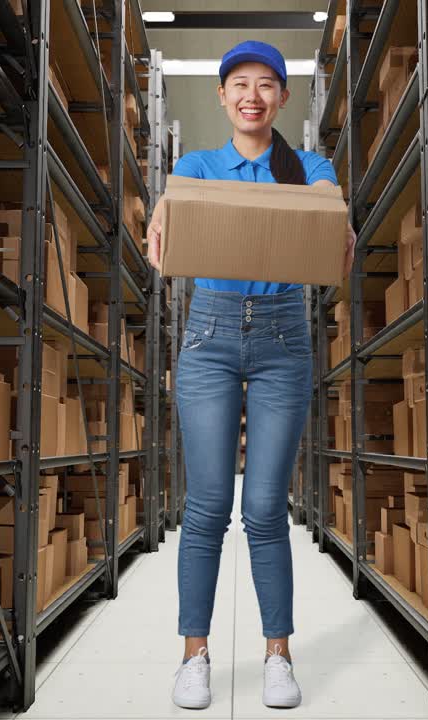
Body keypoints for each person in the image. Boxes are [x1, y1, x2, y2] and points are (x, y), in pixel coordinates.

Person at [145, 40, 355, 710]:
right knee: (206, 506)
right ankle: (195, 655)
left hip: (283, 334)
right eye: (240, 83)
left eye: (267, 84)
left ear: (283, 99)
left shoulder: (308, 165)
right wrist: (161, 219)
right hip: (208, 333)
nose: (253, 95)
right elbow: (170, 227)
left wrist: (337, 227)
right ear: (222, 95)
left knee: (265, 509)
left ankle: (277, 655)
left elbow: (328, 218)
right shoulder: (199, 165)